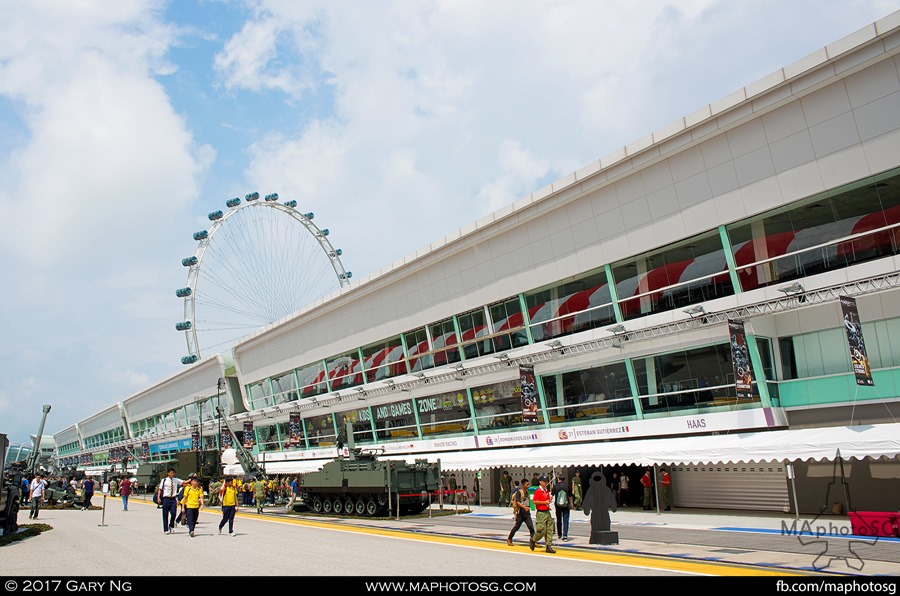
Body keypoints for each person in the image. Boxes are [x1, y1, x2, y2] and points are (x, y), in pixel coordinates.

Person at [530, 475, 555, 553]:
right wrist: (544, 502)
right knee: (541, 530)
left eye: (546, 481)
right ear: (540, 482)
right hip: (541, 512)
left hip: (547, 511)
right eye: (544, 481)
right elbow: (534, 501)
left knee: (549, 530)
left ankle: (548, 545)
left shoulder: (546, 491)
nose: (546, 483)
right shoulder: (538, 491)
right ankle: (533, 539)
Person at [506, 478, 534, 546]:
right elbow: (517, 502)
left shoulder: (527, 492)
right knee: (517, 527)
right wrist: (524, 507)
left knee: (531, 527)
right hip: (520, 513)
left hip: (527, 513)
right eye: (527, 484)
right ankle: (509, 538)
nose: (528, 485)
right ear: (523, 485)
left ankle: (533, 541)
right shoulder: (519, 492)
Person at [157, 468, 183, 534]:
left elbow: (184, 482)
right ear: (168, 473)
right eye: (171, 473)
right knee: (165, 514)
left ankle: (171, 526)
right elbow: (160, 489)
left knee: (174, 513)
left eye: (173, 473)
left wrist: (192, 479)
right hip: (166, 499)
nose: (172, 474)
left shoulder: (175, 480)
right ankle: (166, 529)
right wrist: (158, 498)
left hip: (173, 499)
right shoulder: (164, 480)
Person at [551, 474, 571, 541]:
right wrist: (571, 504)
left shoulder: (555, 486)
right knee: (566, 520)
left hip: (558, 505)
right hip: (566, 505)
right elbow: (570, 496)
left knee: (558, 519)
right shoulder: (567, 486)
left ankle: (559, 534)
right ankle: (565, 535)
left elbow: (551, 495)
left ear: (558, 479)